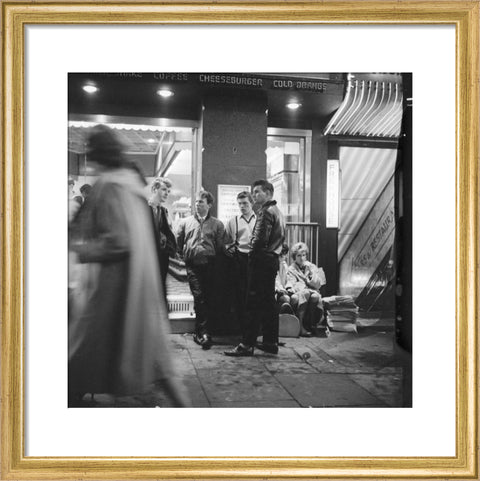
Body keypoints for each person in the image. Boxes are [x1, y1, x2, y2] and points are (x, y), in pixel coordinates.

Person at [68, 124, 190, 407]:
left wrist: (80, 249)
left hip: (114, 289)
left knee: (90, 352)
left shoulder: (110, 186)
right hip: (138, 287)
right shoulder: (130, 186)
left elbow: (118, 241)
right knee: (157, 361)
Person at [225, 179, 285, 357]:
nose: (254, 195)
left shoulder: (266, 212)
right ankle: (270, 342)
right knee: (268, 303)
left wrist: (252, 254)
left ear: (268, 193)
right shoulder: (278, 212)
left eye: (258, 192)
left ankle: (246, 344)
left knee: (252, 304)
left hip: (260, 262)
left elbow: (259, 240)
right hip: (272, 261)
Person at [176, 190, 225, 350]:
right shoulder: (185, 222)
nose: (197, 205)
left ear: (209, 205)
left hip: (211, 265)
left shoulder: (217, 224)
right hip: (193, 265)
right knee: (199, 296)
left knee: (208, 297)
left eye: (201, 202)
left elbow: (220, 246)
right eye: (196, 202)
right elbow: (179, 242)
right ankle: (203, 332)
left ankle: (202, 331)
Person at [224, 191, 256, 331]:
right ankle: (241, 328)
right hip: (239, 259)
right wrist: (229, 249)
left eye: (245, 203)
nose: (242, 206)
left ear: (251, 203)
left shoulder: (259, 219)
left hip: (254, 259)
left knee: (253, 294)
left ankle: (252, 329)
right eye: (240, 204)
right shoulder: (233, 221)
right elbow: (226, 242)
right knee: (239, 294)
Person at [287, 242, 326, 336]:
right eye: (299, 255)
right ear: (294, 257)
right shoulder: (291, 269)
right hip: (298, 292)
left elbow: (318, 284)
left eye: (303, 255)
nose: (302, 258)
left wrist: (311, 275)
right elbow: (292, 284)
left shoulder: (311, 266)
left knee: (315, 296)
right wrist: (305, 286)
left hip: (311, 290)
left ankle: (312, 324)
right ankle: (300, 325)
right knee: (306, 294)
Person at [149, 177, 177, 297]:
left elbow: (167, 232)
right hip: (147, 257)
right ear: (155, 189)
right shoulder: (144, 208)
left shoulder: (163, 211)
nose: (167, 193)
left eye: (168, 191)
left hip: (161, 257)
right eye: (164, 189)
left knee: (160, 290)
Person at [275, 244, 294, 314]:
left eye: (285, 255)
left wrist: (289, 287)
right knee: (286, 299)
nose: (284, 257)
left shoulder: (284, 265)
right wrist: (278, 289)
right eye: (282, 255)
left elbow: (288, 279)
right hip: (274, 292)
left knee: (294, 298)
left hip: (283, 291)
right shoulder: (271, 264)